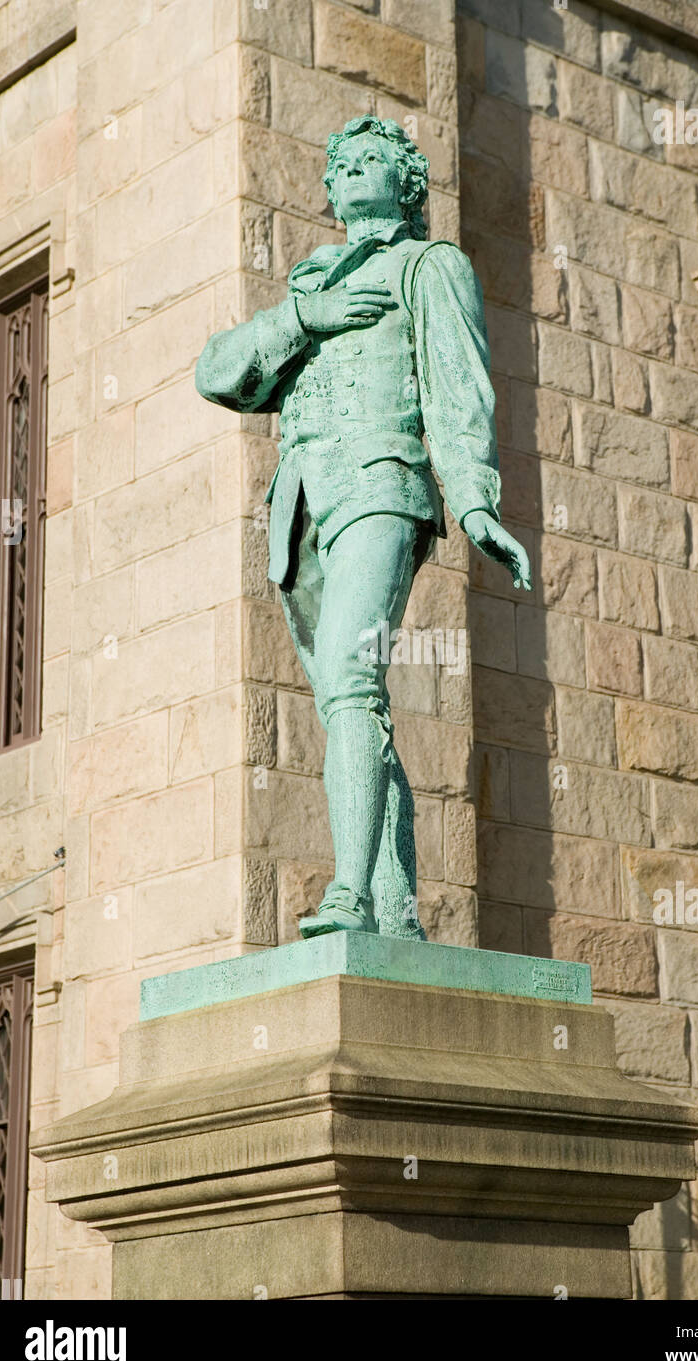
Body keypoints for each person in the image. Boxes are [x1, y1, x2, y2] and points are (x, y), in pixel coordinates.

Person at [195, 116, 531, 940]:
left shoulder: (428, 265)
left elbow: (458, 382)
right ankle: (397, 916)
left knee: (350, 677)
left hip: (384, 485)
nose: (352, 170)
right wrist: (309, 318)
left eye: (374, 158)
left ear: (408, 183)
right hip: (303, 511)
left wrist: (476, 499)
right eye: (339, 162)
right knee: (353, 704)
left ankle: (348, 898)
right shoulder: (310, 288)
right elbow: (215, 374)